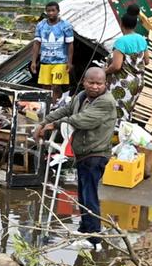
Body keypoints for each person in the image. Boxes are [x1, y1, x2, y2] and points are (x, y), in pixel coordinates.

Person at [33, 68, 116, 250]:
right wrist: (42, 123)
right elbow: (65, 110)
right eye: (91, 83)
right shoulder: (81, 97)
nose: (95, 87)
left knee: (90, 195)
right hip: (83, 152)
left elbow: (83, 120)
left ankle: (94, 239)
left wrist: (54, 125)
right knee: (83, 194)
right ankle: (85, 228)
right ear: (84, 82)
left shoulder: (106, 103)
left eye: (99, 84)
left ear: (105, 84)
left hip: (97, 153)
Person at [106, 12, 149, 122]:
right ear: (135, 25)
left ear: (121, 24)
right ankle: (125, 134)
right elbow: (147, 61)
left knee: (116, 111)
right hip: (138, 82)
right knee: (127, 111)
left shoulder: (120, 42)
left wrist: (104, 71)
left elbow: (116, 66)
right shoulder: (141, 39)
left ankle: (115, 135)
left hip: (123, 83)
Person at [30, 1, 74, 102]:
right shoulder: (41, 25)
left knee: (56, 86)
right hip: (45, 61)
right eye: (48, 11)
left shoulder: (65, 25)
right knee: (45, 86)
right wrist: (33, 61)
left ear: (58, 11)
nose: (50, 13)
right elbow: (37, 43)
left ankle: (53, 104)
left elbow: (70, 44)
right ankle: (47, 105)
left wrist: (69, 62)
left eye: (53, 10)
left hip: (60, 62)